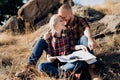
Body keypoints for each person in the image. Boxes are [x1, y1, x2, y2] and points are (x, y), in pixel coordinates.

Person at [19, 4, 99, 80]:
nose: (63, 20)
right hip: (61, 58)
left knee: (85, 39)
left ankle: (91, 68)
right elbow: (53, 33)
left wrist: (89, 39)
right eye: (61, 18)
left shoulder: (77, 21)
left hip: (75, 49)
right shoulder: (60, 26)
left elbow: (86, 29)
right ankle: (30, 66)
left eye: (64, 17)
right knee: (41, 43)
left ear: (70, 14)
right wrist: (48, 54)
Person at [38, 14, 85, 79]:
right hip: (56, 62)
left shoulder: (68, 33)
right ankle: (70, 75)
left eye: (63, 20)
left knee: (80, 63)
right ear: (55, 24)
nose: (64, 22)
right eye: (61, 21)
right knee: (41, 66)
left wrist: (80, 47)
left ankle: (59, 71)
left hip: (68, 61)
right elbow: (49, 53)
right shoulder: (49, 37)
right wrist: (49, 58)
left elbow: (72, 46)